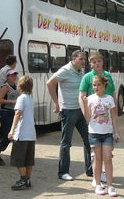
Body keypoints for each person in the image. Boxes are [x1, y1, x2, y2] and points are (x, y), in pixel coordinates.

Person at [47, 50, 92, 181]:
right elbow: (50, 83)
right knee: (66, 143)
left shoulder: (80, 72)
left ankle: (90, 170)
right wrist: (56, 103)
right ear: (73, 59)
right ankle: (63, 172)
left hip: (81, 110)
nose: (84, 62)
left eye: (84, 59)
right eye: (81, 59)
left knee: (89, 140)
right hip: (68, 110)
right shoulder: (65, 70)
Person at [78, 51, 116, 187]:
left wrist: (114, 113)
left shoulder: (108, 76)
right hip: (93, 118)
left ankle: (104, 173)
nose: (96, 64)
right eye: (93, 62)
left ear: (102, 62)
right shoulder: (87, 77)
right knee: (95, 153)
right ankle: (96, 177)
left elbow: (113, 93)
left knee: (107, 152)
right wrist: (86, 116)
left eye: (98, 61)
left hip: (107, 118)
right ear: (90, 64)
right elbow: (81, 97)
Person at [83, 74, 120, 197]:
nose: (96, 87)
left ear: (104, 85)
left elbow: (114, 117)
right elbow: (87, 118)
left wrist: (116, 132)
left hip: (107, 133)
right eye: (94, 85)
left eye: (98, 85)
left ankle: (110, 185)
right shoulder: (89, 99)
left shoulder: (109, 99)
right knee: (97, 159)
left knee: (108, 158)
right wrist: (84, 105)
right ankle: (98, 184)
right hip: (94, 133)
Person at [8, 76, 36, 190]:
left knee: (18, 158)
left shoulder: (21, 98)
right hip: (31, 134)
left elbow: (18, 113)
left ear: (19, 87)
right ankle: (28, 179)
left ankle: (23, 180)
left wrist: (12, 130)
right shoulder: (30, 98)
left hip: (21, 134)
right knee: (29, 159)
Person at [0, 68, 20, 165]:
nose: (14, 77)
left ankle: (15, 155)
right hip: (6, 112)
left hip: (14, 112)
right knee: (9, 135)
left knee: (16, 134)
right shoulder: (5, 87)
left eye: (15, 75)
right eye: (12, 75)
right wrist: (12, 101)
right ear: (7, 77)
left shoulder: (16, 86)